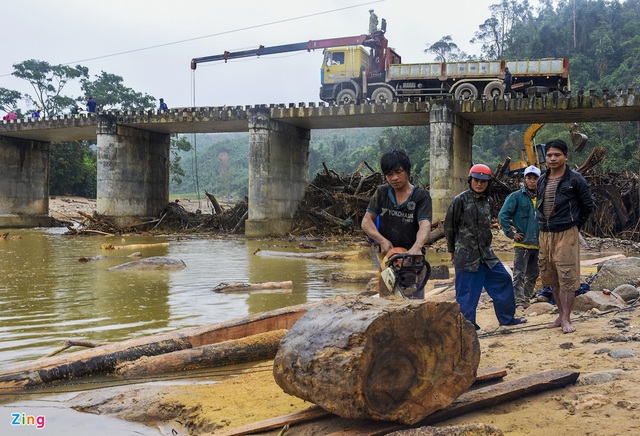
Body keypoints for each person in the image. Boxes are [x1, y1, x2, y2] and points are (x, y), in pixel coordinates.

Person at [444, 163, 526, 330]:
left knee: (503, 279)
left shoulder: (488, 201)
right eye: (476, 180)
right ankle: (467, 326)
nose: (479, 184)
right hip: (466, 256)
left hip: (487, 256)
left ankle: (507, 318)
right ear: (470, 180)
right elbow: (449, 227)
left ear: (488, 182)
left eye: (483, 181)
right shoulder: (460, 200)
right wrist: (451, 250)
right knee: (467, 293)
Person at [537, 139, 595, 334]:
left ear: (566, 157)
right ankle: (560, 315)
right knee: (551, 276)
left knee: (567, 276)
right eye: (549, 155)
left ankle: (567, 319)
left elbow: (588, 206)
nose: (553, 159)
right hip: (545, 233)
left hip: (566, 233)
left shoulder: (575, 179)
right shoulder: (542, 179)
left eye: (557, 155)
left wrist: (574, 226)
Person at [361, 149, 432, 298]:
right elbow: (366, 221)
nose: (394, 178)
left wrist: (417, 247)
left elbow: (425, 224)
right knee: (387, 302)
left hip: (413, 259)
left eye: (398, 172)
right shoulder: (382, 193)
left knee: (414, 306)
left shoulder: (421, 196)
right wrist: (382, 240)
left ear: (407, 171)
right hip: (388, 258)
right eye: (389, 175)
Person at [498, 165, 541, 311]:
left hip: (539, 244)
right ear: (525, 179)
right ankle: (518, 301)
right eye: (529, 178)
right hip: (522, 244)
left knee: (534, 274)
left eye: (535, 178)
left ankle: (527, 299)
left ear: (539, 180)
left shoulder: (543, 197)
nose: (532, 181)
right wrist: (511, 233)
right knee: (519, 274)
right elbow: (503, 215)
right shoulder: (516, 196)